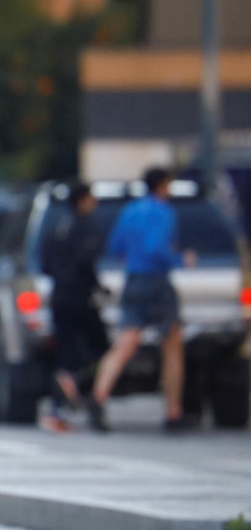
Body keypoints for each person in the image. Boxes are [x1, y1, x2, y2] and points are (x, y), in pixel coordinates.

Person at [88, 167, 193, 433]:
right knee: (172, 343)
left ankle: (99, 396)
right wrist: (180, 259)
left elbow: (115, 247)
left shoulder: (130, 211)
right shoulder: (163, 212)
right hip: (156, 281)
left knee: (126, 341)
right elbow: (155, 248)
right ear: (162, 186)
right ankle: (173, 411)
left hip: (133, 280)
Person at [38, 181, 108, 433]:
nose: (95, 204)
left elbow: (44, 265)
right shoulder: (85, 227)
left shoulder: (56, 226)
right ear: (82, 200)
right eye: (91, 198)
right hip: (80, 298)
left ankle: (58, 407)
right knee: (102, 348)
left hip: (59, 297)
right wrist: (99, 288)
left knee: (64, 353)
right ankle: (84, 388)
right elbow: (86, 262)